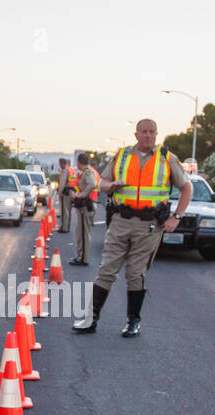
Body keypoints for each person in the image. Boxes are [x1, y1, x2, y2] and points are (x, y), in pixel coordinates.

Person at [72, 119, 192, 338]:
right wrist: (111, 186)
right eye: (144, 132)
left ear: (157, 134)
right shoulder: (122, 155)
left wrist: (177, 217)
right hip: (120, 220)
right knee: (106, 269)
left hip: (149, 225)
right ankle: (90, 319)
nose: (148, 136)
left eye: (152, 132)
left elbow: (186, 187)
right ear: (136, 134)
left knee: (135, 273)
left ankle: (133, 321)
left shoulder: (166, 158)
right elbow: (103, 182)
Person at [69, 153, 99, 267]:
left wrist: (81, 195)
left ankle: (83, 258)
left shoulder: (88, 172)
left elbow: (92, 184)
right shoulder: (86, 172)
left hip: (86, 206)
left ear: (79, 162)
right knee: (80, 232)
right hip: (84, 206)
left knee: (84, 233)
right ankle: (80, 256)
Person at [56, 158, 74, 233]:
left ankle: (64, 228)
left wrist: (59, 192)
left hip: (65, 192)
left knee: (64, 211)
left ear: (61, 163)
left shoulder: (64, 171)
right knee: (68, 211)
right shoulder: (71, 170)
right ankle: (67, 227)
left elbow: (62, 184)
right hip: (71, 191)